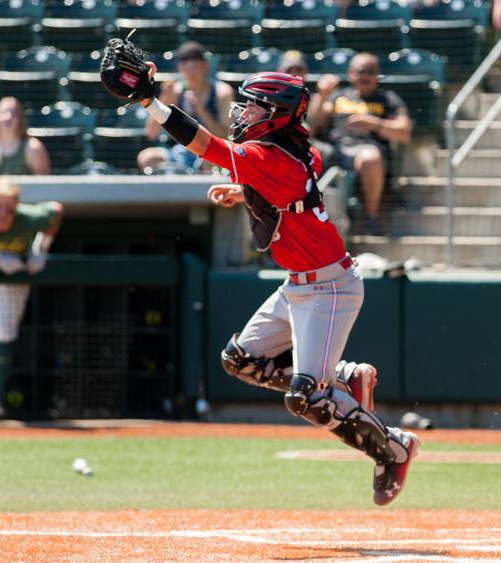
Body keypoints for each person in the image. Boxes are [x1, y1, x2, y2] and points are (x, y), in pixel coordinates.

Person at [130, 54, 419, 505]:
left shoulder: (273, 156)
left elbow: (205, 146)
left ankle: (394, 448)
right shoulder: (289, 149)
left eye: (254, 108)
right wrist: (247, 190)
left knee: (308, 399)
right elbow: (278, 180)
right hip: (299, 284)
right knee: (241, 359)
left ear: (278, 114)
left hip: (328, 289)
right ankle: (343, 377)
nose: (244, 114)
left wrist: (150, 100)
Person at [309, 53, 412, 236]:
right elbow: (313, 123)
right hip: (334, 150)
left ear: (377, 74)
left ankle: (371, 216)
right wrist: (322, 95)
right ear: (350, 74)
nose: (364, 76)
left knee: (370, 158)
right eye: (360, 72)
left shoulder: (387, 99)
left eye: (369, 72)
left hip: (365, 151)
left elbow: (404, 132)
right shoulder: (338, 96)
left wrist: (375, 123)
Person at [0, 179, 63, 419]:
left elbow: (55, 209)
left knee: (3, 333)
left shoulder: (27, 218)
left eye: (9, 209)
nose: (3, 215)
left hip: (11, 281)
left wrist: (42, 247)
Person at [137, 42, 234, 172]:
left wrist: (202, 111)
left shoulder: (221, 92)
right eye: (186, 65)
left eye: (195, 66)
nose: (191, 71)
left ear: (205, 66)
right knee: (147, 158)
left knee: (208, 162)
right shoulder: (175, 91)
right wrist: (165, 100)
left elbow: (227, 136)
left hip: (210, 150)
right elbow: (151, 133)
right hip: (182, 151)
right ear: (180, 68)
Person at [0, 97, 50, 176]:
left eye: (13, 113)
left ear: (20, 119)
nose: (8, 117)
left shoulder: (33, 148)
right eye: (3, 112)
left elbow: (44, 185)